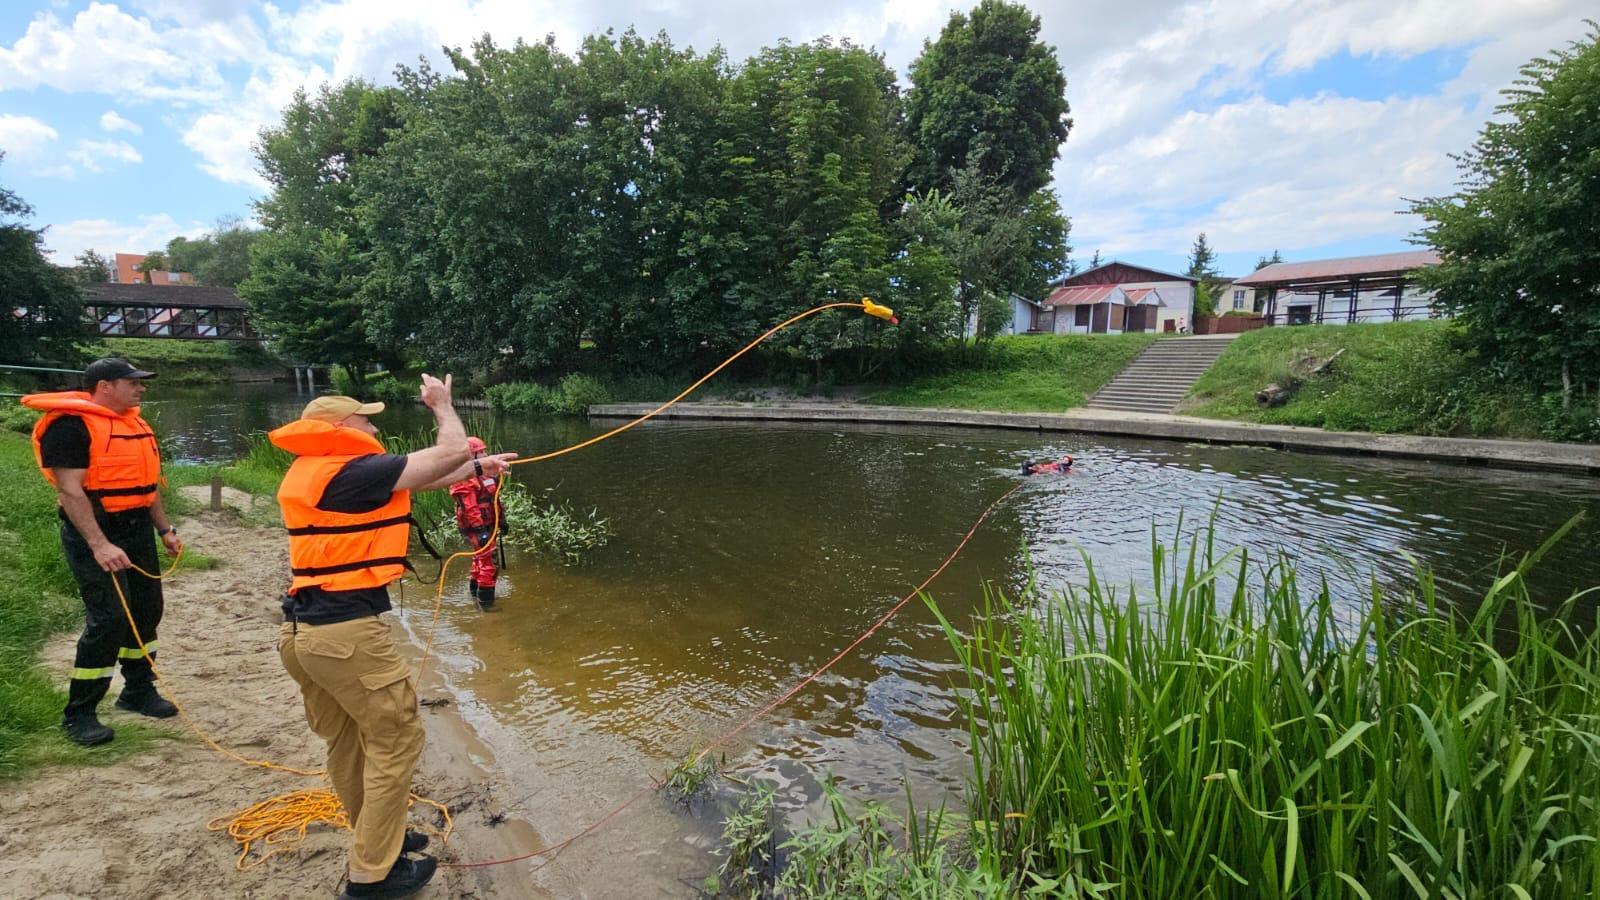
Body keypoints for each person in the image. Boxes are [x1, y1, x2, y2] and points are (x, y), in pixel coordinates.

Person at [268, 375, 514, 899]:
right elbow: (446, 449)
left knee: (351, 744)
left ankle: (379, 839)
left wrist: (477, 467)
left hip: (304, 632)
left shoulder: (320, 469)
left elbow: (415, 478)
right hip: (344, 634)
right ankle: (371, 877)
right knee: (395, 741)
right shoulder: (348, 467)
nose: (374, 424)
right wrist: (442, 407)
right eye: (365, 417)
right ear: (340, 426)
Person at [22, 358, 184, 747]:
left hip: (137, 529)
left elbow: (147, 485)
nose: (141, 388)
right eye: (133, 382)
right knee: (109, 618)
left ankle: (138, 691)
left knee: (147, 610)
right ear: (104, 386)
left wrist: (165, 529)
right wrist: (99, 544)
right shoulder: (69, 427)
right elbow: (70, 491)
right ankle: (79, 713)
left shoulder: (135, 424)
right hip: (96, 530)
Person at [449, 436, 507, 610]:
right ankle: (486, 606)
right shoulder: (464, 479)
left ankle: (475, 595)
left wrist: (502, 520)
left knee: (479, 559)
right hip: (477, 526)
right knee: (489, 564)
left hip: (489, 523)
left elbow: (494, 499)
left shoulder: (485, 474)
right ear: (471, 456)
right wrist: (480, 530)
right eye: (480, 452)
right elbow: (470, 508)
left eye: (484, 450)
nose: (485, 454)